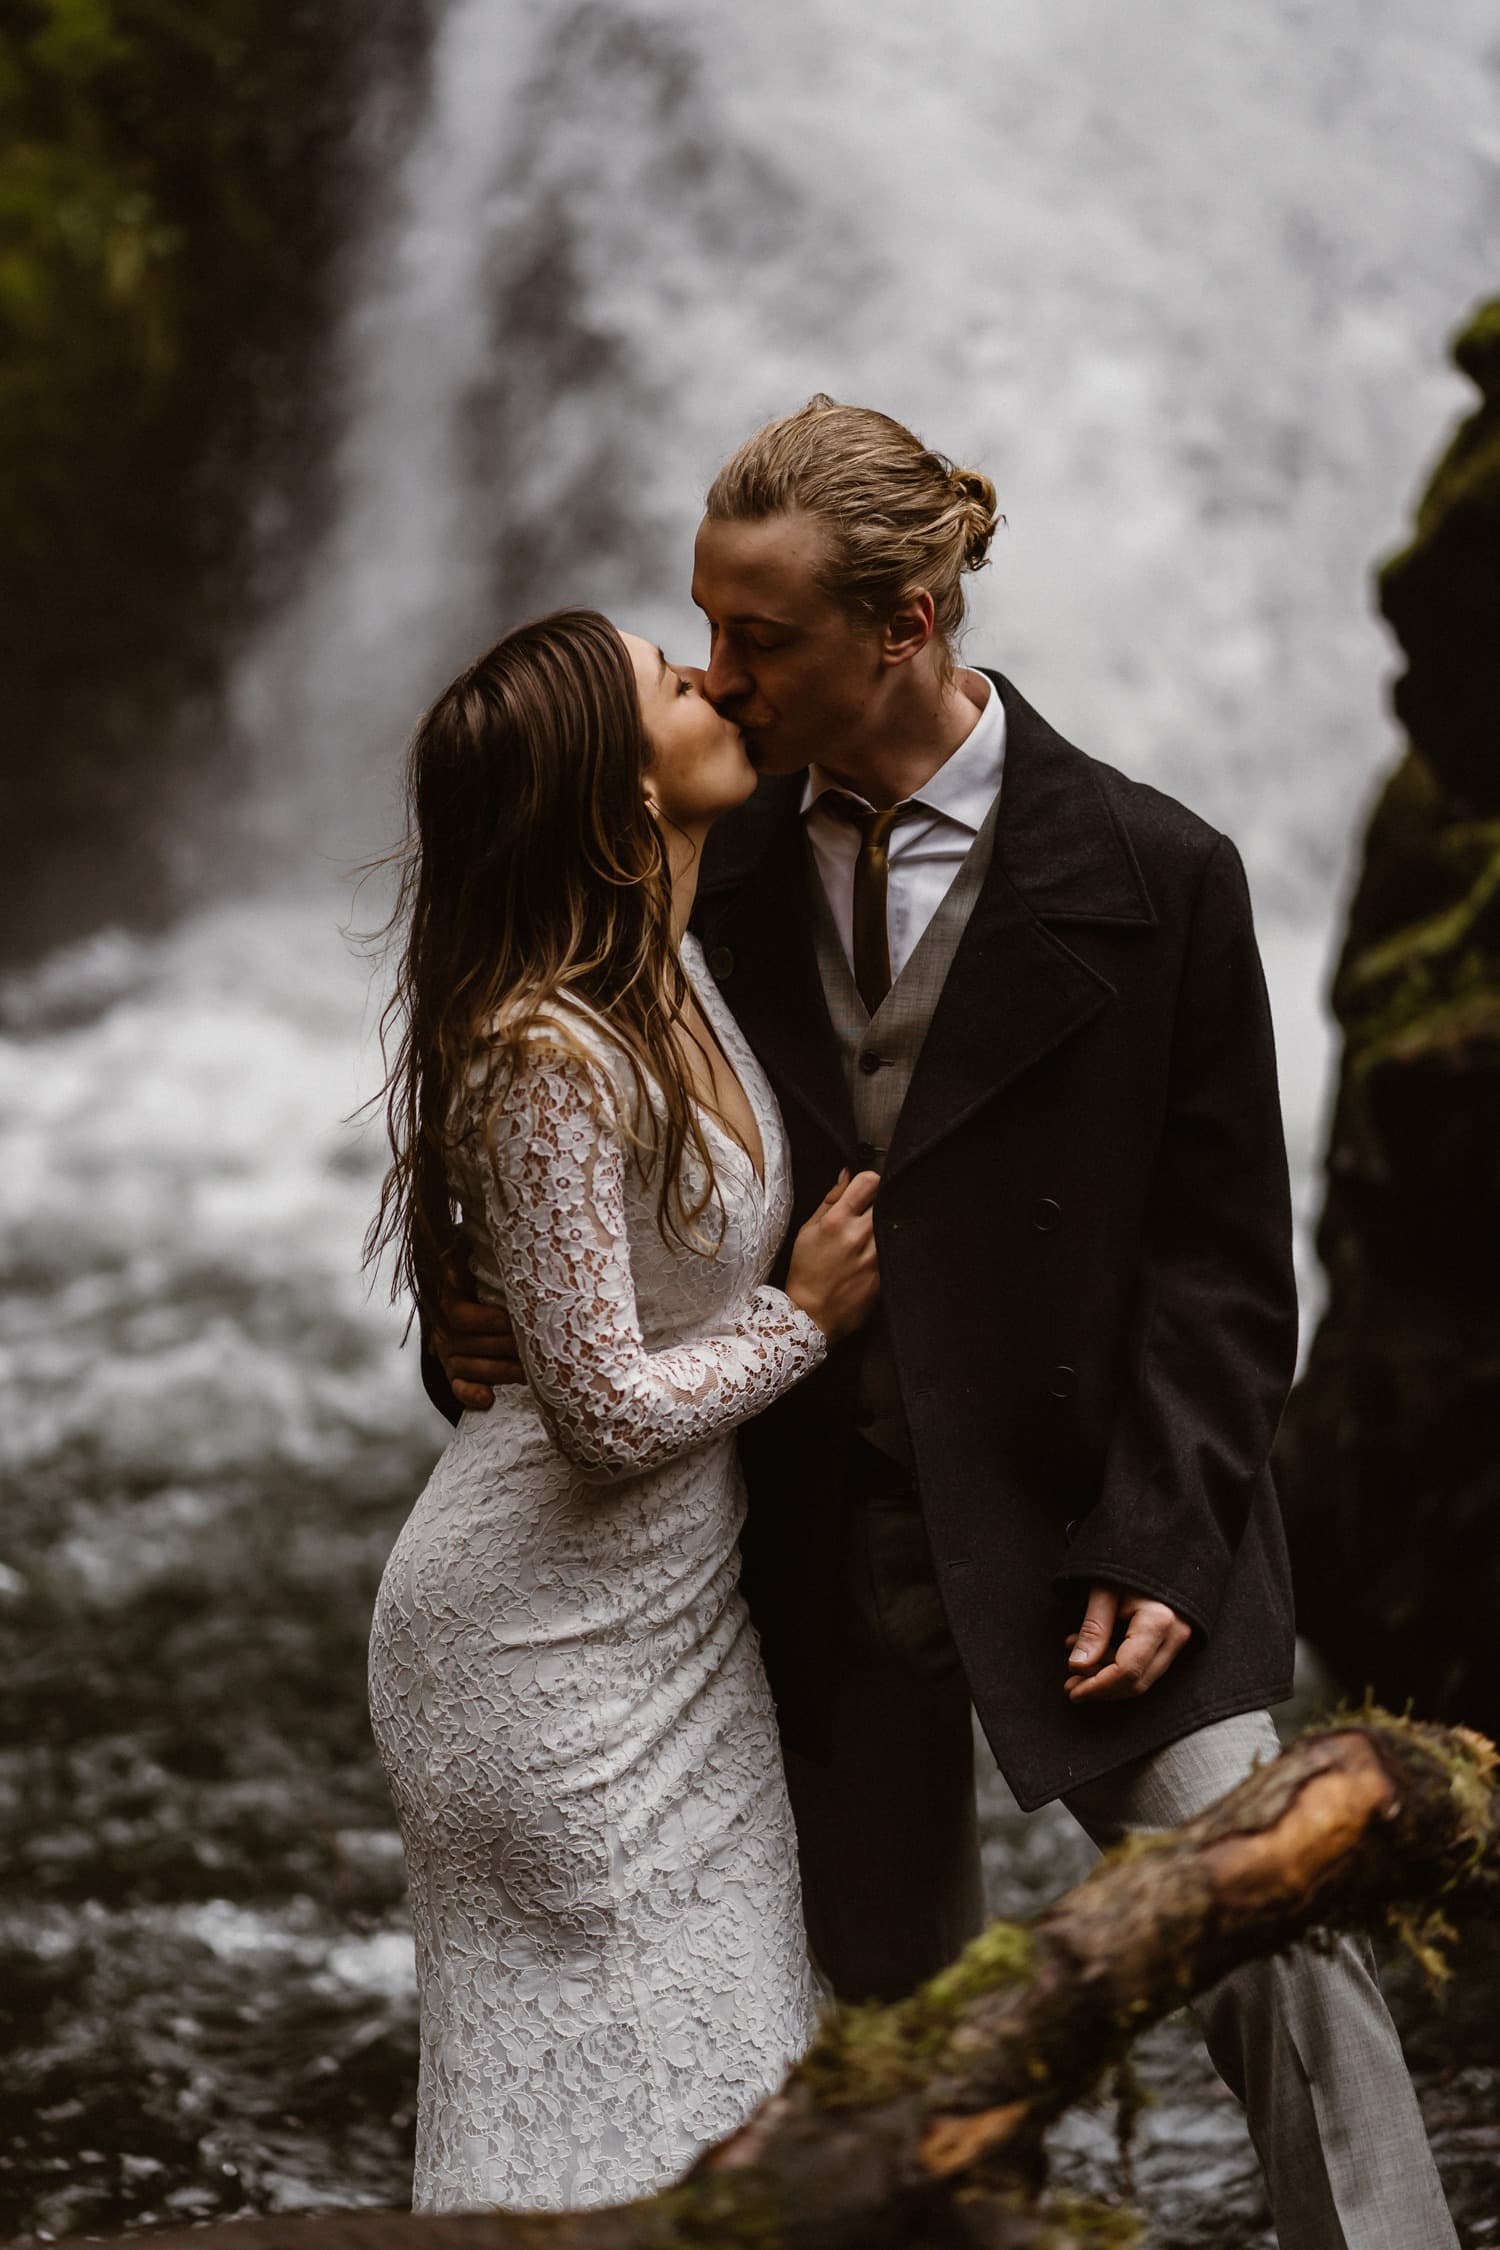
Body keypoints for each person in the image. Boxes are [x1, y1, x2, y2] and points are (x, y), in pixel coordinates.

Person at [431, 400, 1459, 2248]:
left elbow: (1226, 1268)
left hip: (1108, 1533)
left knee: (1288, 1953)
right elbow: (547, 1105)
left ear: (905, 623)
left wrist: (1161, 1540)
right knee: (881, 2059)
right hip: (818, 1545)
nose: (722, 681)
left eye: (765, 640)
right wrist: (471, 1307)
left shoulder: (1164, 873)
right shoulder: (689, 854)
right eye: (707, 634)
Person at [366, 607, 881, 2212]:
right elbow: (591, 1407)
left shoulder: (678, 964)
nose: (714, 679)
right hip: (531, 1657)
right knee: (605, 2090)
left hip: (678, 1631)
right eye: (673, 678)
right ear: (615, 785)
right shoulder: (545, 1052)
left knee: (737, 2052)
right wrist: (800, 1318)